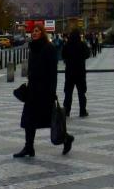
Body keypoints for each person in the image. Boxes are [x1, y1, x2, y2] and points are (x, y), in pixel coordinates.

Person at [15, 25, 74, 158]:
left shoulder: (49, 48)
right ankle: (29, 147)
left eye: (37, 31)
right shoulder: (32, 48)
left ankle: (66, 138)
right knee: (28, 120)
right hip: (33, 90)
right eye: (33, 31)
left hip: (45, 91)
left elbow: (53, 73)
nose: (34, 33)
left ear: (42, 33)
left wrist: (52, 91)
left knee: (50, 120)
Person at [62, 29, 90, 117]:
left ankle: (66, 111)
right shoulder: (82, 45)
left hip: (69, 72)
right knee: (81, 93)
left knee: (68, 93)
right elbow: (87, 55)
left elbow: (63, 55)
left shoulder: (67, 45)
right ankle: (82, 111)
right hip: (80, 72)